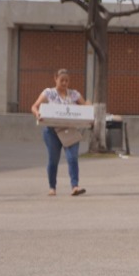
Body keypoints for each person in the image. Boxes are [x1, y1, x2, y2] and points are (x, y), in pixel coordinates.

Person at [30, 68, 89, 196]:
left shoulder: (74, 94)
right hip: (52, 131)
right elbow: (34, 106)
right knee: (53, 159)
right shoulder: (49, 93)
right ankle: (52, 187)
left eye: (67, 81)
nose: (64, 83)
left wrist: (89, 109)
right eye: (61, 80)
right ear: (55, 79)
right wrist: (37, 114)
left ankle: (75, 186)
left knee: (72, 157)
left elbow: (85, 107)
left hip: (70, 130)